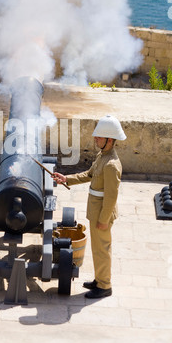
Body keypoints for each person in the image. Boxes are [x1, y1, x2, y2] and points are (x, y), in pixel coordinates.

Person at [53, 115, 126, 299]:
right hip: (96, 211)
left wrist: (103, 220)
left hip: (102, 214)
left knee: (102, 250)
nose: (96, 139)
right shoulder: (103, 156)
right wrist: (66, 179)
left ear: (109, 140)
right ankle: (99, 280)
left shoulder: (111, 165)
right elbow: (89, 175)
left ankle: (104, 286)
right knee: (97, 249)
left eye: (99, 137)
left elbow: (111, 196)